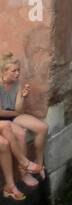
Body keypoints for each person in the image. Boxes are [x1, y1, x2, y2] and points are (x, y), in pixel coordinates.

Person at [0, 55, 47, 183]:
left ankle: (39, 163)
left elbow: (18, 109)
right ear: (4, 72)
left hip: (13, 115)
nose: (17, 73)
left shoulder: (17, 83)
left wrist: (22, 96)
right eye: (14, 71)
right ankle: (24, 174)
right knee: (21, 134)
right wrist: (15, 111)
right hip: (2, 120)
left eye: (18, 70)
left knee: (42, 127)